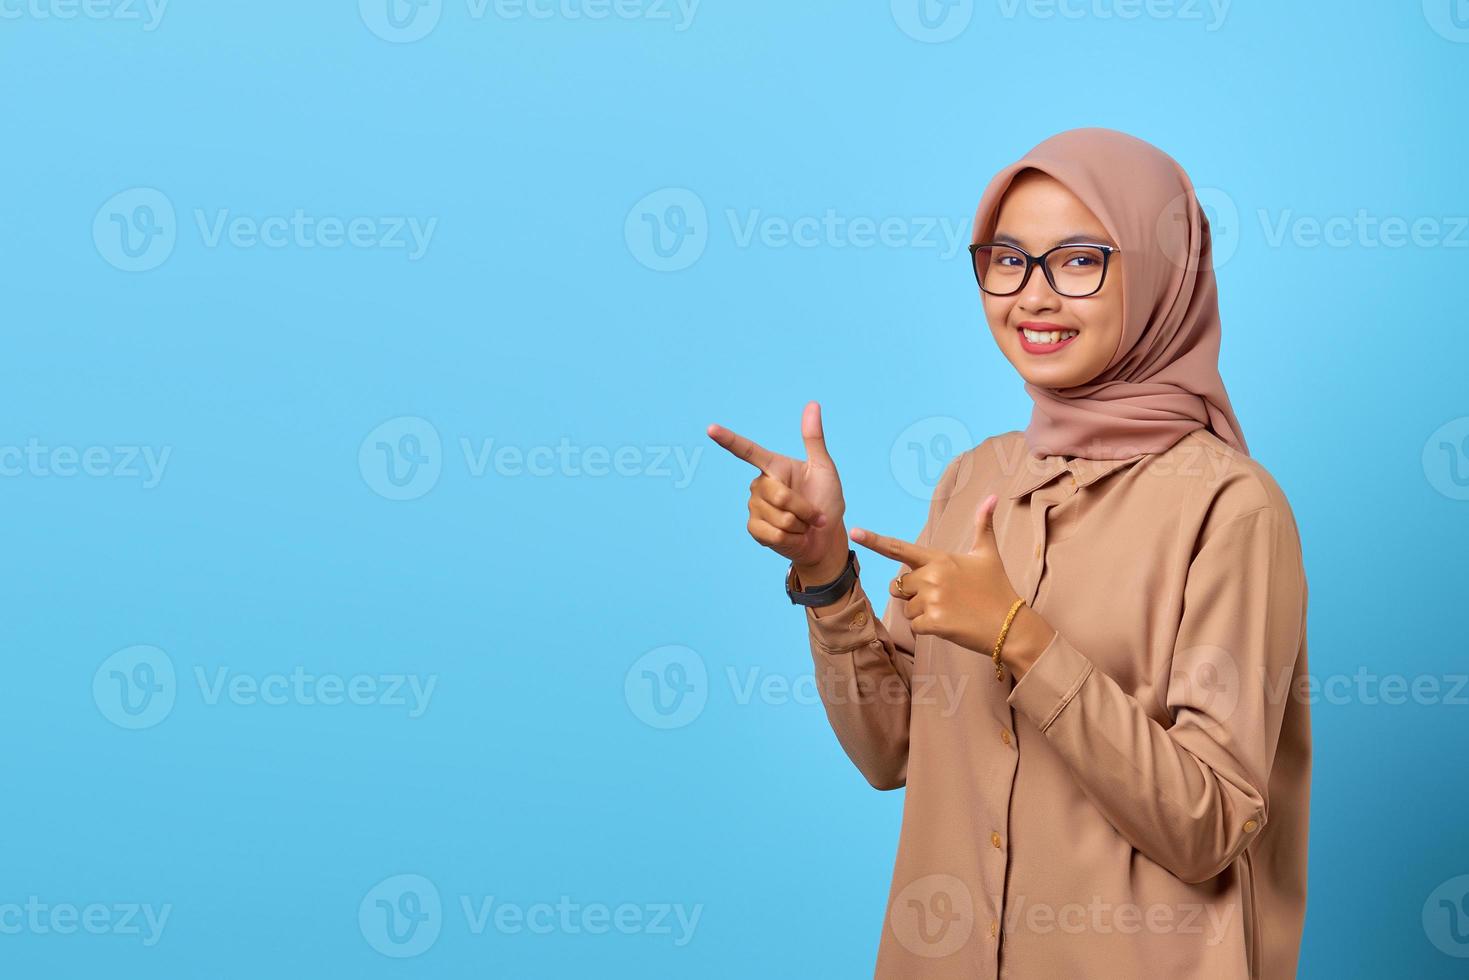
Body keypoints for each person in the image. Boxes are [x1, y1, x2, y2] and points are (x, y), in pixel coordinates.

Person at [705, 127, 1310, 979]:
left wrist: (1022, 639)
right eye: (1006, 258)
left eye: (1078, 260)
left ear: (1158, 274)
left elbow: (1209, 828)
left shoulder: (1230, 508)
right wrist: (826, 571)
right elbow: (891, 753)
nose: (1031, 295)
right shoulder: (973, 479)